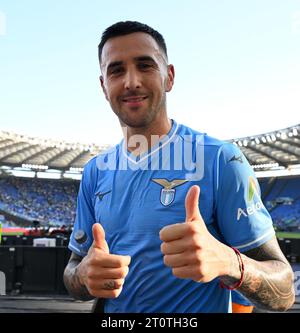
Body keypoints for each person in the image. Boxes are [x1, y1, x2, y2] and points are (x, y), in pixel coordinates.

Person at [63, 21, 295, 313]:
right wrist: (83, 275)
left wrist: (228, 262)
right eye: (116, 70)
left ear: (169, 77)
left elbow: (284, 291)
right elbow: (72, 272)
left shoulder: (221, 160)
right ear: (103, 86)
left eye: (145, 65)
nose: (131, 81)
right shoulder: (95, 171)